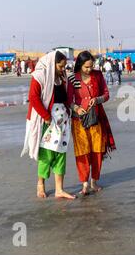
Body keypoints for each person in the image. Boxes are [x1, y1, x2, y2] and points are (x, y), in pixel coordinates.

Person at [21, 51, 76, 200]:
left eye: (64, 66)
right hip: (47, 121)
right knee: (46, 154)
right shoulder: (40, 76)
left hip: (62, 121)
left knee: (61, 154)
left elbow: (66, 97)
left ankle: (59, 189)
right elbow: (33, 97)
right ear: (52, 63)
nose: (63, 69)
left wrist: (71, 111)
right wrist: (46, 117)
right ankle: (41, 185)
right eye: (60, 66)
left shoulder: (62, 77)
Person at [67, 51, 116, 195]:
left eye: (91, 66)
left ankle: (94, 181)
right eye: (86, 67)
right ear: (80, 65)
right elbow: (69, 100)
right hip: (78, 121)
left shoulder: (98, 75)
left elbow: (106, 94)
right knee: (82, 152)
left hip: (96, 118)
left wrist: (97, 100)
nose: (89, 69)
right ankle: (84, 183)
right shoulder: (73, 78)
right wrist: (77, 108)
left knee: (97, 151)